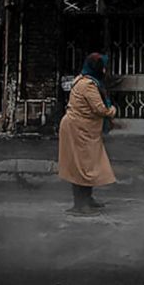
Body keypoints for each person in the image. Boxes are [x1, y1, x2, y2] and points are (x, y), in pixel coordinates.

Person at [57, 52, 117, 214]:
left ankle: (87, 199)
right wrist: (112, 111)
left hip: (84, 130)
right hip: (78, 130)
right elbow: (99, 109)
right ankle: (80, 205)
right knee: (80, 167)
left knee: (87, 166)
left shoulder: (86, 80)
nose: (105, 71)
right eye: (103, 67)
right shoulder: (87, 85)